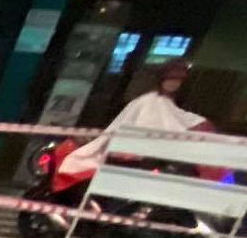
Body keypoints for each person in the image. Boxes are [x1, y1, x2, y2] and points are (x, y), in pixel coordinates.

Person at [54, 60, 211, 192]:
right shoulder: (148, 101)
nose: (174, 83)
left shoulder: (170, 105)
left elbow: (176, 122)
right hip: (130, 155)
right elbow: (148, 124)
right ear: (162, 79)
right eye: (171, 79)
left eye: (178, 81)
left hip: (147, 157)